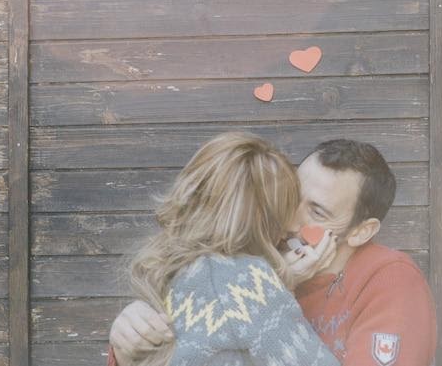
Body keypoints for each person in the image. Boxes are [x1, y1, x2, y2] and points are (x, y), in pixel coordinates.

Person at [109, 139, 437, 366]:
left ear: (360, 231)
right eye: (291, 197)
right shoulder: (244, 266)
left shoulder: (390, 280)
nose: (290, 220)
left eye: (318, 213)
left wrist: (269, 290)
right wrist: (128, 346)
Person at [115, 131, 340, 366]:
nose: (294, 226)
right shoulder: (247, 282)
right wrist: (278, 286)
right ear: (257, 219)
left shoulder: (174, 272)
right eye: (285, 210)